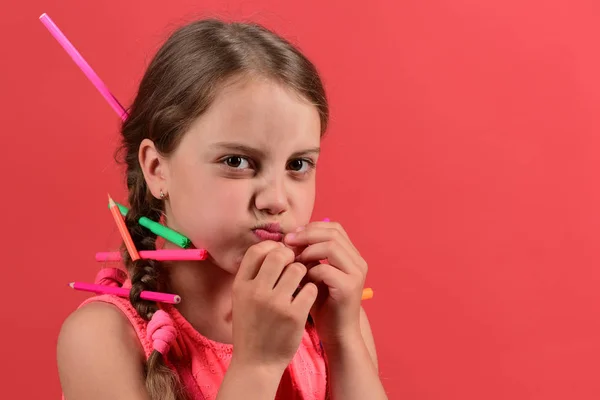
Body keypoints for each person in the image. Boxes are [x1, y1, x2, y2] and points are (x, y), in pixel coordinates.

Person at [57, 18, 388, 400]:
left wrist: (344, 338)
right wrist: (257, 366)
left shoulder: (328, 318)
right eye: (236, 161)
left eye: (298, 164)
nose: (276, 199)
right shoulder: (103, 338)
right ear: (156, 168)